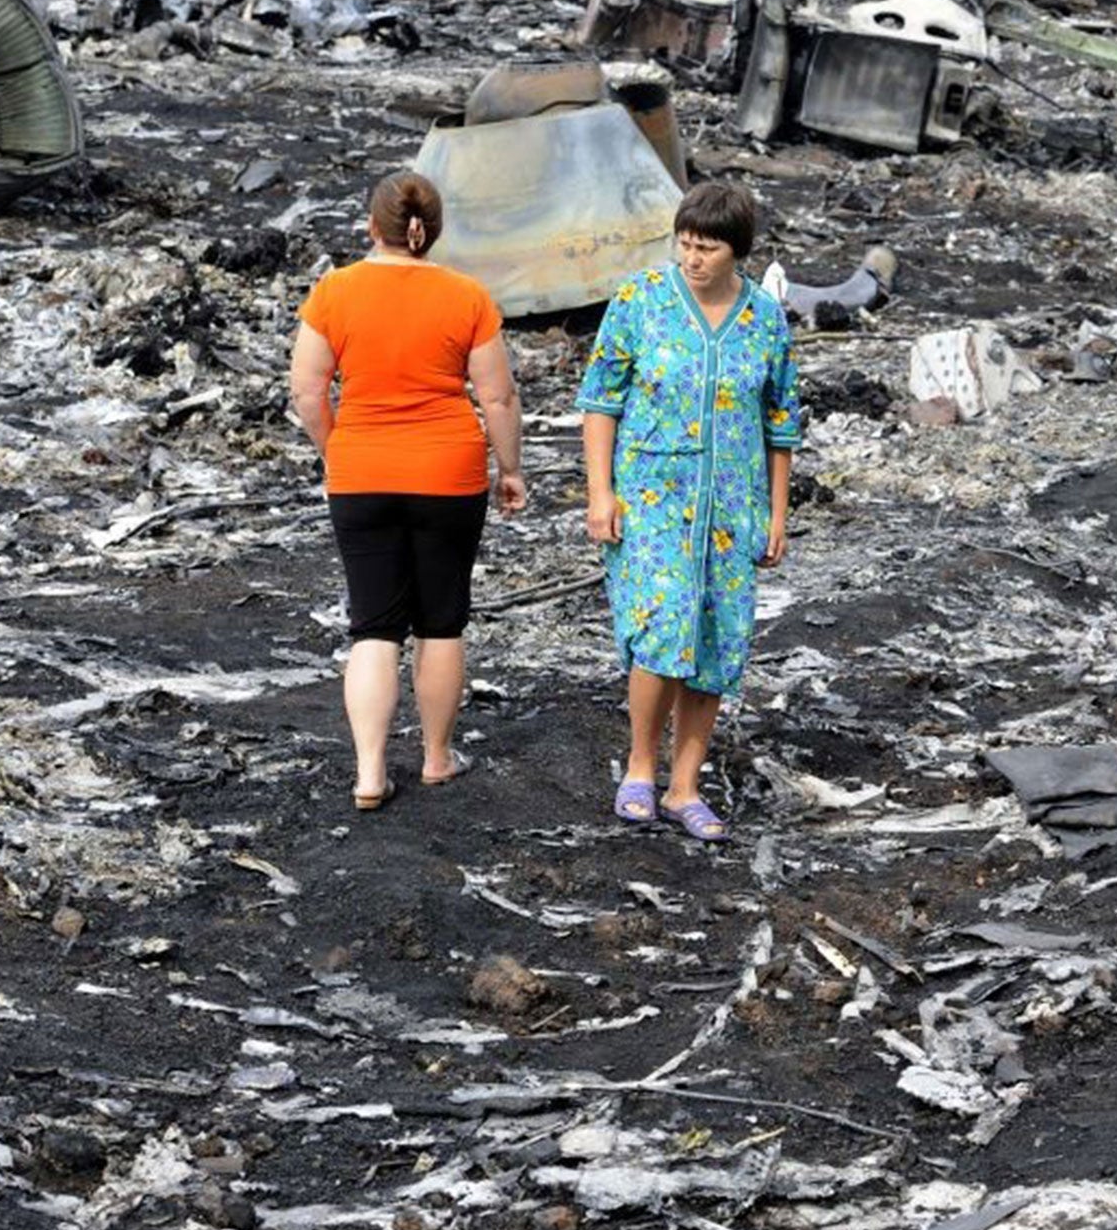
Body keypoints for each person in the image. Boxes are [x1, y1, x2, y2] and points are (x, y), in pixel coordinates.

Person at [289, 171, 526, 811]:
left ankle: (369, 773)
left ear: (373, 227)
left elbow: (308, 392)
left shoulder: (334, 291)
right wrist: (510, 469)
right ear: (434, 231)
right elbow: (498, 396)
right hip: (448, 471)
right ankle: (436, 757)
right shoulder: (466, 296)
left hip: (362, 468)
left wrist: (337, 448)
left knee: (374, 626)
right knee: (442, 621)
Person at [577, 182, 802, 841]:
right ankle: (640, 768)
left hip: (733, 506)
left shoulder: (763, 318)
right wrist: (599, 492)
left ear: (738, 252)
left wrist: (777, 513)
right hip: (652, 498)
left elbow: (780, 422)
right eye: (685, 244)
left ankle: (686, 784)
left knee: (715, 641)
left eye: (707, 248)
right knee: (661, 630)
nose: (692, 258)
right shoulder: (641, 301)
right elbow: (601, 399)